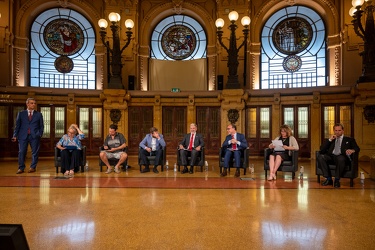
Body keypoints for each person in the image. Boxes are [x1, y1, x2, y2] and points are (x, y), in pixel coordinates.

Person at [317, 123, 360, 188]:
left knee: (340, 159)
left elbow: (357, 148)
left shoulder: (349, 139)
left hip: (342, 156)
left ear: (343, 131)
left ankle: (337, 180)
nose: (337, 132)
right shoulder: (331, 139)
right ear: (334, 131)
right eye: (336, 130)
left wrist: (352, 150)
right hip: (331, 157)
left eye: (339, 130)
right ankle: (329, 179)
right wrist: (329, 140)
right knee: (321, 157)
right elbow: (322, 150)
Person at [12, 98, 44, 174]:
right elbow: (17, 126)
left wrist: (39, 134)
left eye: (34, 103)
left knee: (35, 152)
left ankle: (33, 167)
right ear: (27, 104)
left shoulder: (39, 114)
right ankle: (21, 168)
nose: (34, 104)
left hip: (34, 136)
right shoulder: (21, 114)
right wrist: (15, 135)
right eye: (32, 103)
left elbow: (41, 126)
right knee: (22, 152)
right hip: (22, 136)